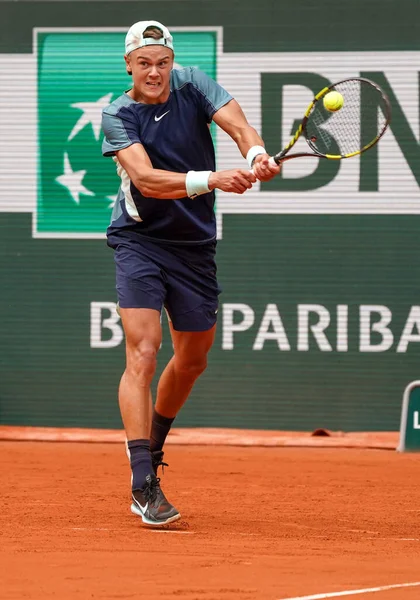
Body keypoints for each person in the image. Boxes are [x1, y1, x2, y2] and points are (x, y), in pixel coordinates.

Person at [101, 19, 280, 527]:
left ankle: (155, 446)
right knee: (144, 348)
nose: (154, 72)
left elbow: (241, 127)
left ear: (170, 61)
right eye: (144, 63)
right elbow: (149, 181)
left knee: (194, 357)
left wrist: (256, 154)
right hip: (140, 240)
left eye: (162, 62)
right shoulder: (118, 115)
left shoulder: (195, 83)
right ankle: (142, 482)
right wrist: (214, 178)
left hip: (195, 246)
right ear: (129, 65)